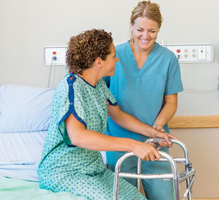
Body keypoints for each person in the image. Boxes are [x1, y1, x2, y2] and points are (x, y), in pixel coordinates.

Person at [37, 29, 175, 200]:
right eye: (114, 56)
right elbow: (78, 136)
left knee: (136, 197)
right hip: (65, 172)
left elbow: (119, 116)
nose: (117, 60)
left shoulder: (99, 86)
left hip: (94, 170)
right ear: (99, 62)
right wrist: (133, 146)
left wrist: (154, 133)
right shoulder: (71, 87)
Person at [104, 1, 184, 199]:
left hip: (155, 141)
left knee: (164, 195)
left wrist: (157, 128)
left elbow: (171, 102)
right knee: (123, 196)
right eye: (140, 29)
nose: (145, 36)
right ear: (131, 25)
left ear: (159, 30)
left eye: (152, 31)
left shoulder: (168, 59)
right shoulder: (114, 56)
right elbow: (106, 103)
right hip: (119, 142)